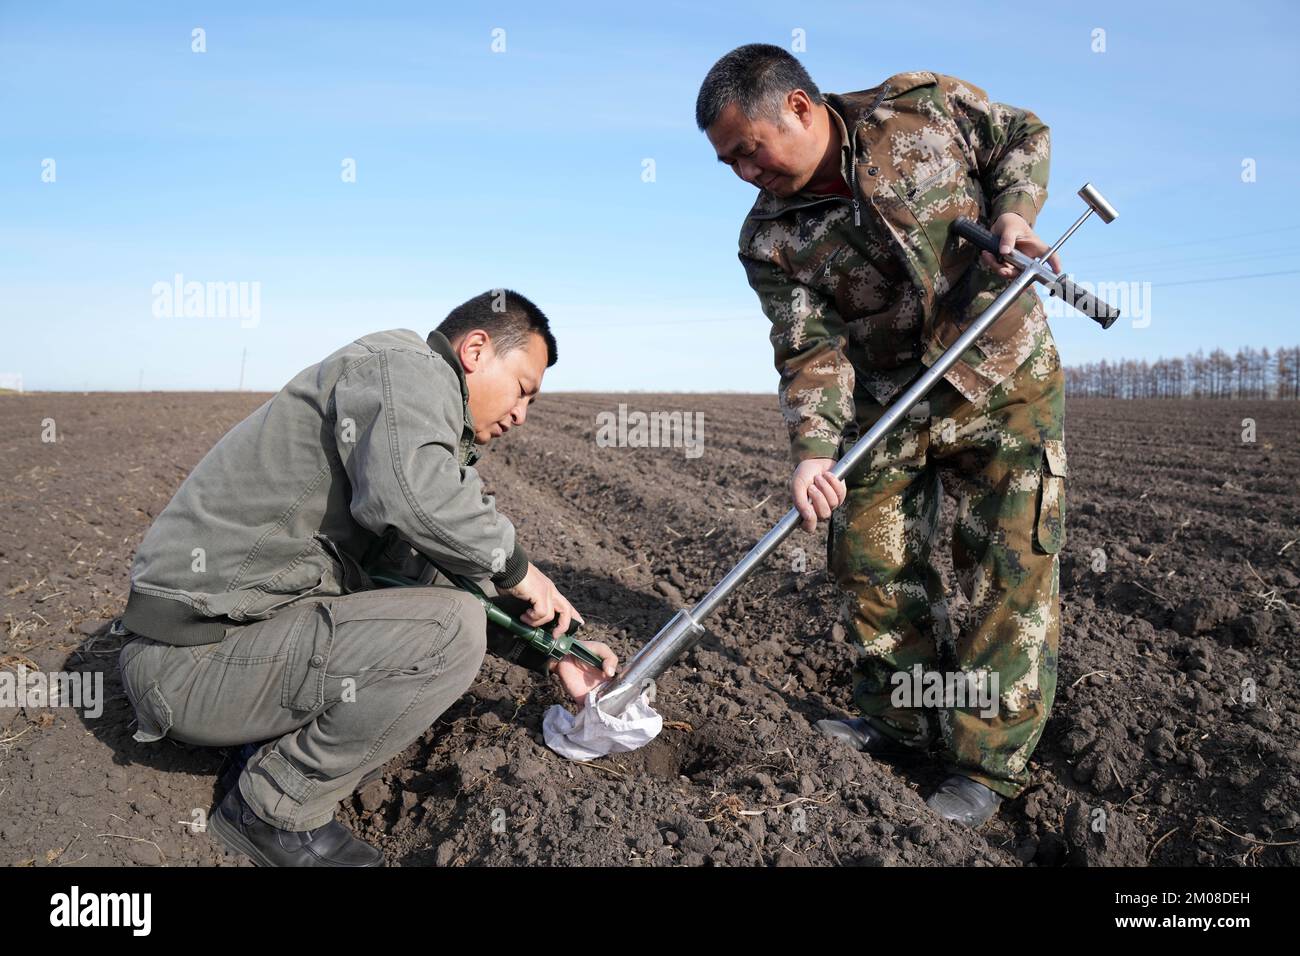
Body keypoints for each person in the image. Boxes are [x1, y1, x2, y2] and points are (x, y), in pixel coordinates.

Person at [697, 45, 1067, 828]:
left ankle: (984, 764)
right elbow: (809, 347)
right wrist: (813, 453)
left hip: (999, 377)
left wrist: (1014, 213)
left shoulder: (919, 107)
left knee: (1006, 566)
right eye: (727, 162)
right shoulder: (766, 239)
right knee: (869, 560)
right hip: (885, 399)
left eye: (748, 151)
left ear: (798, 107)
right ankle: (901, 724)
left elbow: (1023, 134)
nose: (743, 173)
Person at [116, 289, 617, 866]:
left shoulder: (414, 418)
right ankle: (273, 809)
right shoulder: (402, 367)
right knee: (449, 631)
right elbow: (415, 496)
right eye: (523, 389)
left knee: (443, 612)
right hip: (188, 666)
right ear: (476, 349)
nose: (521, 414)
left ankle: (266, 748)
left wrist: (555, 650)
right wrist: (516, 568)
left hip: (233, 648)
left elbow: (423, 568)